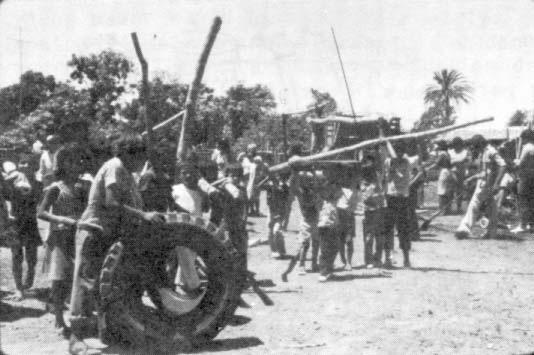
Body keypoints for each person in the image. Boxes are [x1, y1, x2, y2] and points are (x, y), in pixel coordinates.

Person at [68, 134, 165, 355]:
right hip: (94, 231)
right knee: (85, 284)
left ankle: (107, 333)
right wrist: (144, 215)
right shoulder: (115, 166)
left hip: (108, 234)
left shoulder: (127, 173)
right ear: (129, 153)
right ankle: (76, 340)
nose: (142, 161)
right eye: (140, 156)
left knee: (105, 285)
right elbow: (112, 203)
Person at [37, 146, 88, 334]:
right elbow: (41, 212)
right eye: (71, 162)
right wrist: (62, 219)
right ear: (62, 165)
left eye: (78, 161)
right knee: (59, 278)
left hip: (77, 236)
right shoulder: (55, 188)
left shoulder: (82, 187)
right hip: (60, 238)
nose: (76, 165)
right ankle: (58, 318)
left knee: (78, 276)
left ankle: (80, 314)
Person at [3, 161, 42, 300]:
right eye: (22, 163)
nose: (25, 166)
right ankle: (20, 288)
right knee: (17, 256)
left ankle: (27, 283)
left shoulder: (37, 182)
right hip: (16, 221)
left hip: (29, 221)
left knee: (31, 256)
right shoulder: (9, 182)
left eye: (27, 163)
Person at [455, 135, 506, 240]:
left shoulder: (491, 151)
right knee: (492, 207)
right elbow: (484, 172)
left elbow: (503, 165)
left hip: (487, 184)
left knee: (474, 203)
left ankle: (464, 228)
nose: (474, 149)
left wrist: (497, 183)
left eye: (475, 146)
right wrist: (471, 178)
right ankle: (492, 232)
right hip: (484, 182)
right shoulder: (483, 152)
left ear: (480, 144)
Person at [171, 162, 209, 294]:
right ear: (179, 175)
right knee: (184, 253)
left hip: (196, 228)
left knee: (191, 256)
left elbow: (205, 208)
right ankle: (194, 285)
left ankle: (183, 284)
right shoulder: (175, 189)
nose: (188, 175)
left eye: (191, 173)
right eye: (184, 173)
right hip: (180, 228)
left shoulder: (200, 192)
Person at [382, 140, 413, 268]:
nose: (399, 154)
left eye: (401, 152)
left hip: (403, 198)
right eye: (397, 152)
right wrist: (391, 171)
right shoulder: (389, 162)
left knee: (404, 229)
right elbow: (387, 179)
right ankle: (388, 258)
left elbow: (420, 160)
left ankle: (406, 258)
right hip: (391, 197)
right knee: (388, 228)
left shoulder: (407, 162)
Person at [317, 169, 343, 282]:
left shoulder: (334, 198)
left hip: (333, 224)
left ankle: (329, 269)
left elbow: (339, 193)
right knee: (325, 249)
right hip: (324, 224)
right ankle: (323, 271)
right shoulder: (321, 197)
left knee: (335, 247)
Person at [359, 162, 387, 268]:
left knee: (380, 237)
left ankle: (378, 258)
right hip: (368, 212)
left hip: (378, 210)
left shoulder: (377, 182)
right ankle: (369, 260)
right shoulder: (364, 184)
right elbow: (366, 197)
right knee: (368, 237)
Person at [262, 172, 290, 259]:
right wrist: (267, 178)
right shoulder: (270, 186)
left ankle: (281, 251)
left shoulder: (284, 187)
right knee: (270, 232)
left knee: (276, 231)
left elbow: (285, 199)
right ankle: (273, 251)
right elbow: (258, 186)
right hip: (271, 211)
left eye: (278, 177)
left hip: (280, 212)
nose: (277, 178)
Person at [335, 165, 358, 270]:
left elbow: (353, 206)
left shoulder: (354, 190)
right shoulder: (338, 188)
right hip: (339, 214)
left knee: (349, 239)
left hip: (349, 215)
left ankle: (348, 262)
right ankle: (343, 260)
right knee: (340, 240)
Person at [512, 130, 534, 233]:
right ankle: (530, 224)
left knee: (522, 200)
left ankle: (522, 225)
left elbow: (520, 163)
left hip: (525, 176)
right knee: (531, 201)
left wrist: (515, 161)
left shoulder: (526, 147)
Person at [449, 137, 469, 213]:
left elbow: (466, 161)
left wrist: (456, 161)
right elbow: (449, 162)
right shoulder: (450, 152)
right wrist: (458, 161)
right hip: (452, 171)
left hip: (461, 172)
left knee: (459, 189)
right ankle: (449, 206)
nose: (456, 146)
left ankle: (459, 206)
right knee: (450, 190)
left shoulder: (464, 152)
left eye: (458, 144)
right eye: (455, 145)